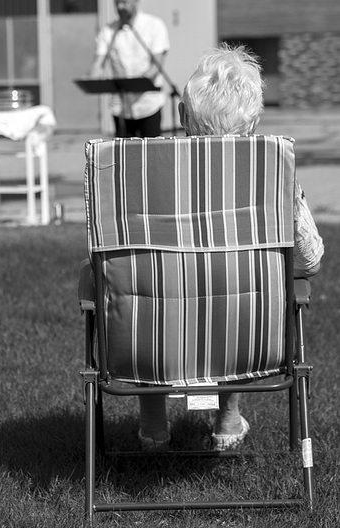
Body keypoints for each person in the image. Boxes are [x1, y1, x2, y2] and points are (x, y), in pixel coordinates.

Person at [138, 43, 324, 451]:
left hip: (153, 332)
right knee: (234, 292)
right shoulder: (273, 178)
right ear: (253, 123)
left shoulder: (142, 173)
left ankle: (153, 423)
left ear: (183, 116)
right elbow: (308, 260)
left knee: (144, 287)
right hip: (247, 336)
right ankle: (227, 417)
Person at [89, 0, 170, 137]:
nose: (120, 6)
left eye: (124, 2)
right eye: (117, 2)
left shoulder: (154, 25)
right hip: (121, 108)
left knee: (152, 156)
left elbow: (157, 65)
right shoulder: (108, 31)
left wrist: (136, 85)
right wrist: (92, 77)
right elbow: (98, 63)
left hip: (148, 104)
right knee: (124, 158)